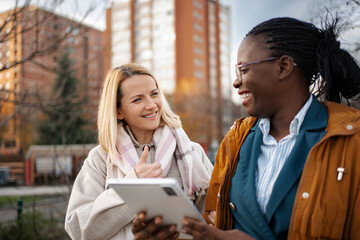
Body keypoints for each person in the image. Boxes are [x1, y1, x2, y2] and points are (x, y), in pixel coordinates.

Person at [132, 17, 360, 240]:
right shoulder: (234, 141)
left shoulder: (353, 140)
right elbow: (214, 223)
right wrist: (173, 234)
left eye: (243, 69)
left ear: (283, 66)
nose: (236, 82)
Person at [64, 63, 213, 240]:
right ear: (118, 111)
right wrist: (134, 185)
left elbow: (212, 220)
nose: (151, 105)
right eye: (137, 99)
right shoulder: (101, 158)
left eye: (154, 94)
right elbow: (77, 229)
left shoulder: (191, 153)